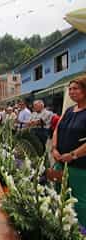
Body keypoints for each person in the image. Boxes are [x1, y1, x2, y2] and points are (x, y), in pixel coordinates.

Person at [52, 76, 86, 228]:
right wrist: (54, 148)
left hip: (79, 167)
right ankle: (61, 229)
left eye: (76, 88)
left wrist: (73, 155)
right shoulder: (69, 111)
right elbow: (57, 130)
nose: (72, 92)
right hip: (60, 164)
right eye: (70, 89)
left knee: (79, 203)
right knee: (60, 197)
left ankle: (79, 232)